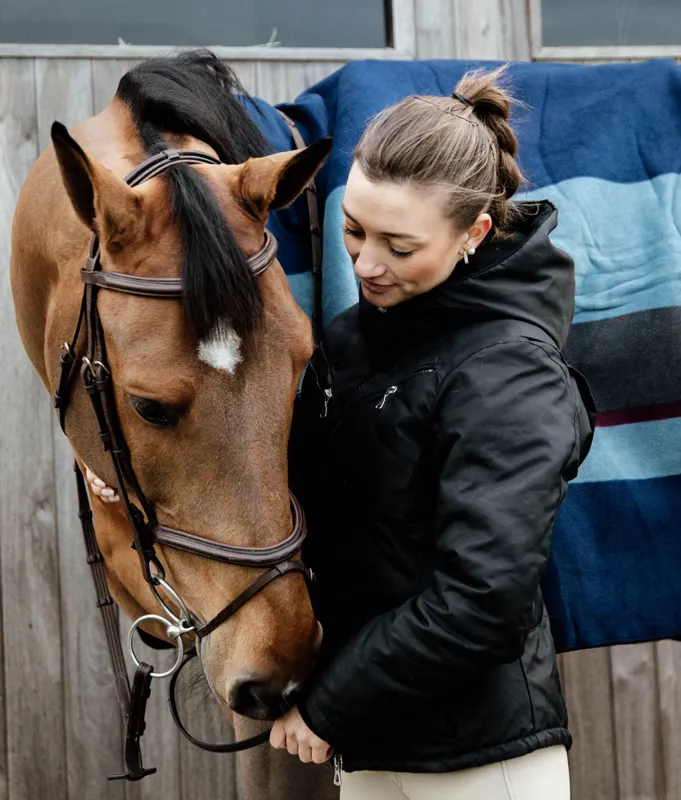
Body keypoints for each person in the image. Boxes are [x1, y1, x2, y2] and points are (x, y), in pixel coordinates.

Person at [86, 66, 595, 799]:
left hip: (482, 762)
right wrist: (135, 467)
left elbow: (483, 601)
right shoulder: (355, 343)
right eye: (353, 230)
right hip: (364, 750)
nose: (365, 263)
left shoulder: (511, 374)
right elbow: (290, 488)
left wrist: (330, 703)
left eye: (399, 244)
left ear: (473, 235)